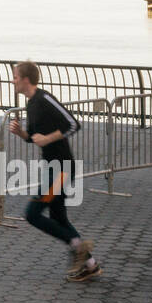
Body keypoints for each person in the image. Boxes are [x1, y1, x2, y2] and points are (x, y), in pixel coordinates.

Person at [8, 61, 102, 282]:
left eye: (14, 77)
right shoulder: (31, 105)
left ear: (25, 79)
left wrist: (48, 138)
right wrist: (22, 134)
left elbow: (73, 124)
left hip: (61, 170)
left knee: (32, 214)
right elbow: (35, 139)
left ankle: (78, 246)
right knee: (59, 217)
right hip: (52, 167)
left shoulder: (44, 99)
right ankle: (90, 265)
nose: (12, 81)